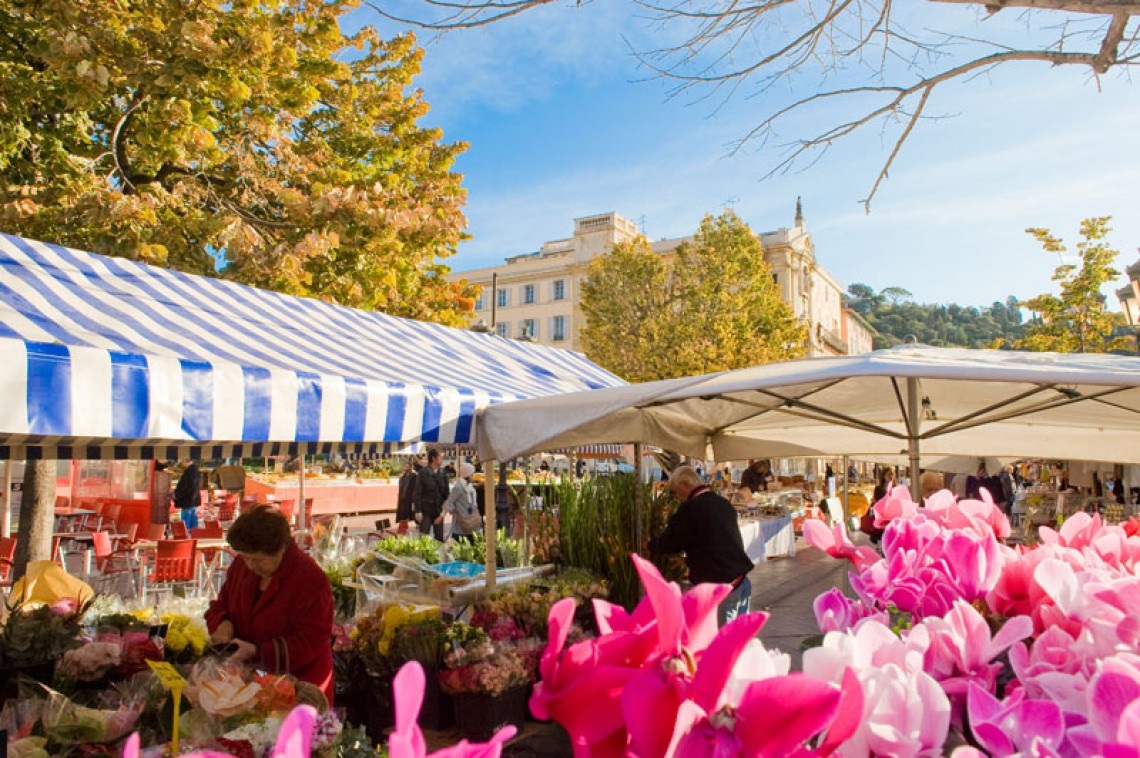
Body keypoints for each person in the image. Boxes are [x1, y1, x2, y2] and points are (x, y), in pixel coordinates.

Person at [205, 506, 334, 701]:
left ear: (281, 548)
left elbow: (311, 640)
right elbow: (220, 604)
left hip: (299, 686)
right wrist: (224, 624)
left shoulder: (310, 579)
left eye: (258, 560)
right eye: (245, 557)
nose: (250, 565)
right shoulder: (242, 566)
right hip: (250, 681)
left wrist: (258, 651)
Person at [651, 465, 755, 626]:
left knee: (723, 646)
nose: (676, 497)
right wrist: (689, 561)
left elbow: (670, 543)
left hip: (724, 588)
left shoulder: (691, 508)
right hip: (741, 582)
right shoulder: (722, 503)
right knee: (740, 643)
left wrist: (650, 545)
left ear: (685, 485)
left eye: (675, 491)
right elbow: (716, 543)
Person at [413, 447, 449, 541]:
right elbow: (417, 492)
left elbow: (446, 493)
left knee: (439, 538)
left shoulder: (443, 473)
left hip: (439, 510)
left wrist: (444, 511)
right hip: (426, 510)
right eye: (440, 457)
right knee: (423, 537)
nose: (442, 460)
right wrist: (418, 510)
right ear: (433, 458)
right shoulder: (423, 473)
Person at [444, 462, 481, 542]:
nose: (473, 476)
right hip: (460, 526)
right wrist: (457, 511)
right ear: (467, 475)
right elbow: (448, 503)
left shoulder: (470, 486)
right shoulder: (459, 487)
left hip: (472, 523)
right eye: (472, 474)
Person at [173, 458, 201, 530]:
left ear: (185, 460)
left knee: (185, 526)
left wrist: (176, 494)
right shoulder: (195, 470)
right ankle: (194, 539)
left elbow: (187, 486)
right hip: (193, 500)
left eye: (181, 460)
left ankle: (187, 539)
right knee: (194, 527)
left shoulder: (190, 471)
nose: (181, 462)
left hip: (187, 501)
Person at [395, 458, 419, 534]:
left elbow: (416, 487)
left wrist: (415, 498)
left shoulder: (414, 476)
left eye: (407, 466)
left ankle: (418, 524)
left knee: (413, 512)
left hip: (412, 498)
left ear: (410, 467)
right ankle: (404, 526)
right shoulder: (402, 477)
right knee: (403, 513)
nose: (405, 467)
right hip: (403, 498)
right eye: (404, 466)